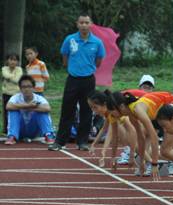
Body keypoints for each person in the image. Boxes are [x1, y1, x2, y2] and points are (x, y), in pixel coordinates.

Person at [48, 13, 106, 151]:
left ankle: (82, 142)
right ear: (77, 24)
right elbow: (64, 58)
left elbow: (98, 62)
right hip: (72, 79)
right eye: (81, 22)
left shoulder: (97, 42)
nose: (84, 25)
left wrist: (86, 68)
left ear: (91, 24)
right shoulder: (70, 39)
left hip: (88, 80)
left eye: (86, 22)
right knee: (67, 110)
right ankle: (60, 142)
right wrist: (73, 69)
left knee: (86, 110)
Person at [106, 91, 173, 179]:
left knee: (166, 150)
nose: (111, 115)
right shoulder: (131, 113)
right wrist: (142, 161)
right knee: (167, 149)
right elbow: (140, 138)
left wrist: (154, 164)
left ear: (121, 106)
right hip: (162, 113)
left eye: (111, 112)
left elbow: (154, 137)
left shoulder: (137, 109)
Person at [87, 91, 137, 168]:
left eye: (95, 107)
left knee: (119, 127)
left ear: (104, 104)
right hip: (138, 123)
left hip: (144, 119)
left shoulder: (115, 111)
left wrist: (132, 155)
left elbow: (113, 134)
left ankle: (130, 151)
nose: (93, 110)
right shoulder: (110, 112)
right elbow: (104, 129)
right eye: (91, 107)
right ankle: (133, 151)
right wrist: (94, 145)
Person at [4, 75, 55, 145]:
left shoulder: (39, 98)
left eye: (29, 86)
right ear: (20, 88)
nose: (26, 89)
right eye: (24, 87)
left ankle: (48, 135)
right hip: (19, 130)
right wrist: (29, 105)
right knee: (13, 110)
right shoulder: (15, 98)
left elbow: (47, 108)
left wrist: (30, 108)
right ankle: (12, 137)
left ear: (33, 88)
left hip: (33, 130)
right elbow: (8, 106)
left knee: (42, 111)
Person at [2, 53, 23, 133]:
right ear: (7, 61)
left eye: (15, 60)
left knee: (17, 111)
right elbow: (5, 75)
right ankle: (6, 129)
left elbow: (17, 80)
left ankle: (17, 128)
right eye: (11, 59)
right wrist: (13, 76)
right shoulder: (4, 68)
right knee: (6, 112)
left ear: (17, 62)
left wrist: (10, 77)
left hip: (16, 94)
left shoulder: (19, 69)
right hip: (6, 93)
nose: (13, 62)